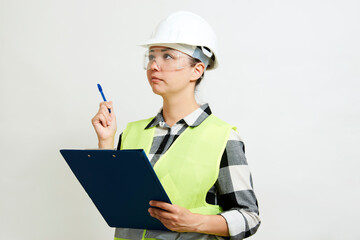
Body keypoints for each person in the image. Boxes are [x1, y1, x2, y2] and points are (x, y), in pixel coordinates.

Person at [92, 11, 260, 240]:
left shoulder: (222, 137)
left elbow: (248, 217)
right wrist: (106, 140)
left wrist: (194, 222)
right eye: (151, 56)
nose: (154, 65)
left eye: (168, 56)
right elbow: (113, 200)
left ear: (197, 69)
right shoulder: (132, 132)